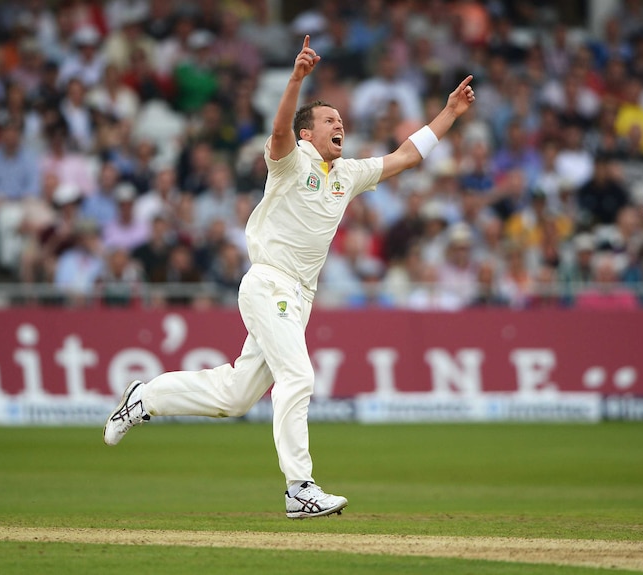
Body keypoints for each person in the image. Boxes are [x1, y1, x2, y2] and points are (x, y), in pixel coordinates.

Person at [103, 35, 475, 518]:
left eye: (340, 120)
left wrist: (449, 113)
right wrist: (296, 80)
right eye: (328, 120)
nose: (339, 124)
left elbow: (405, 155)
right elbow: (280, 129)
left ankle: (144, 397)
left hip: (298, 297)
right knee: (298, 376)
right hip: (269, 283)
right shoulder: (289, 161)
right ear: (307, 135)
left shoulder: (347, 173)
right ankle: (300, 488)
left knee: (235, 396)